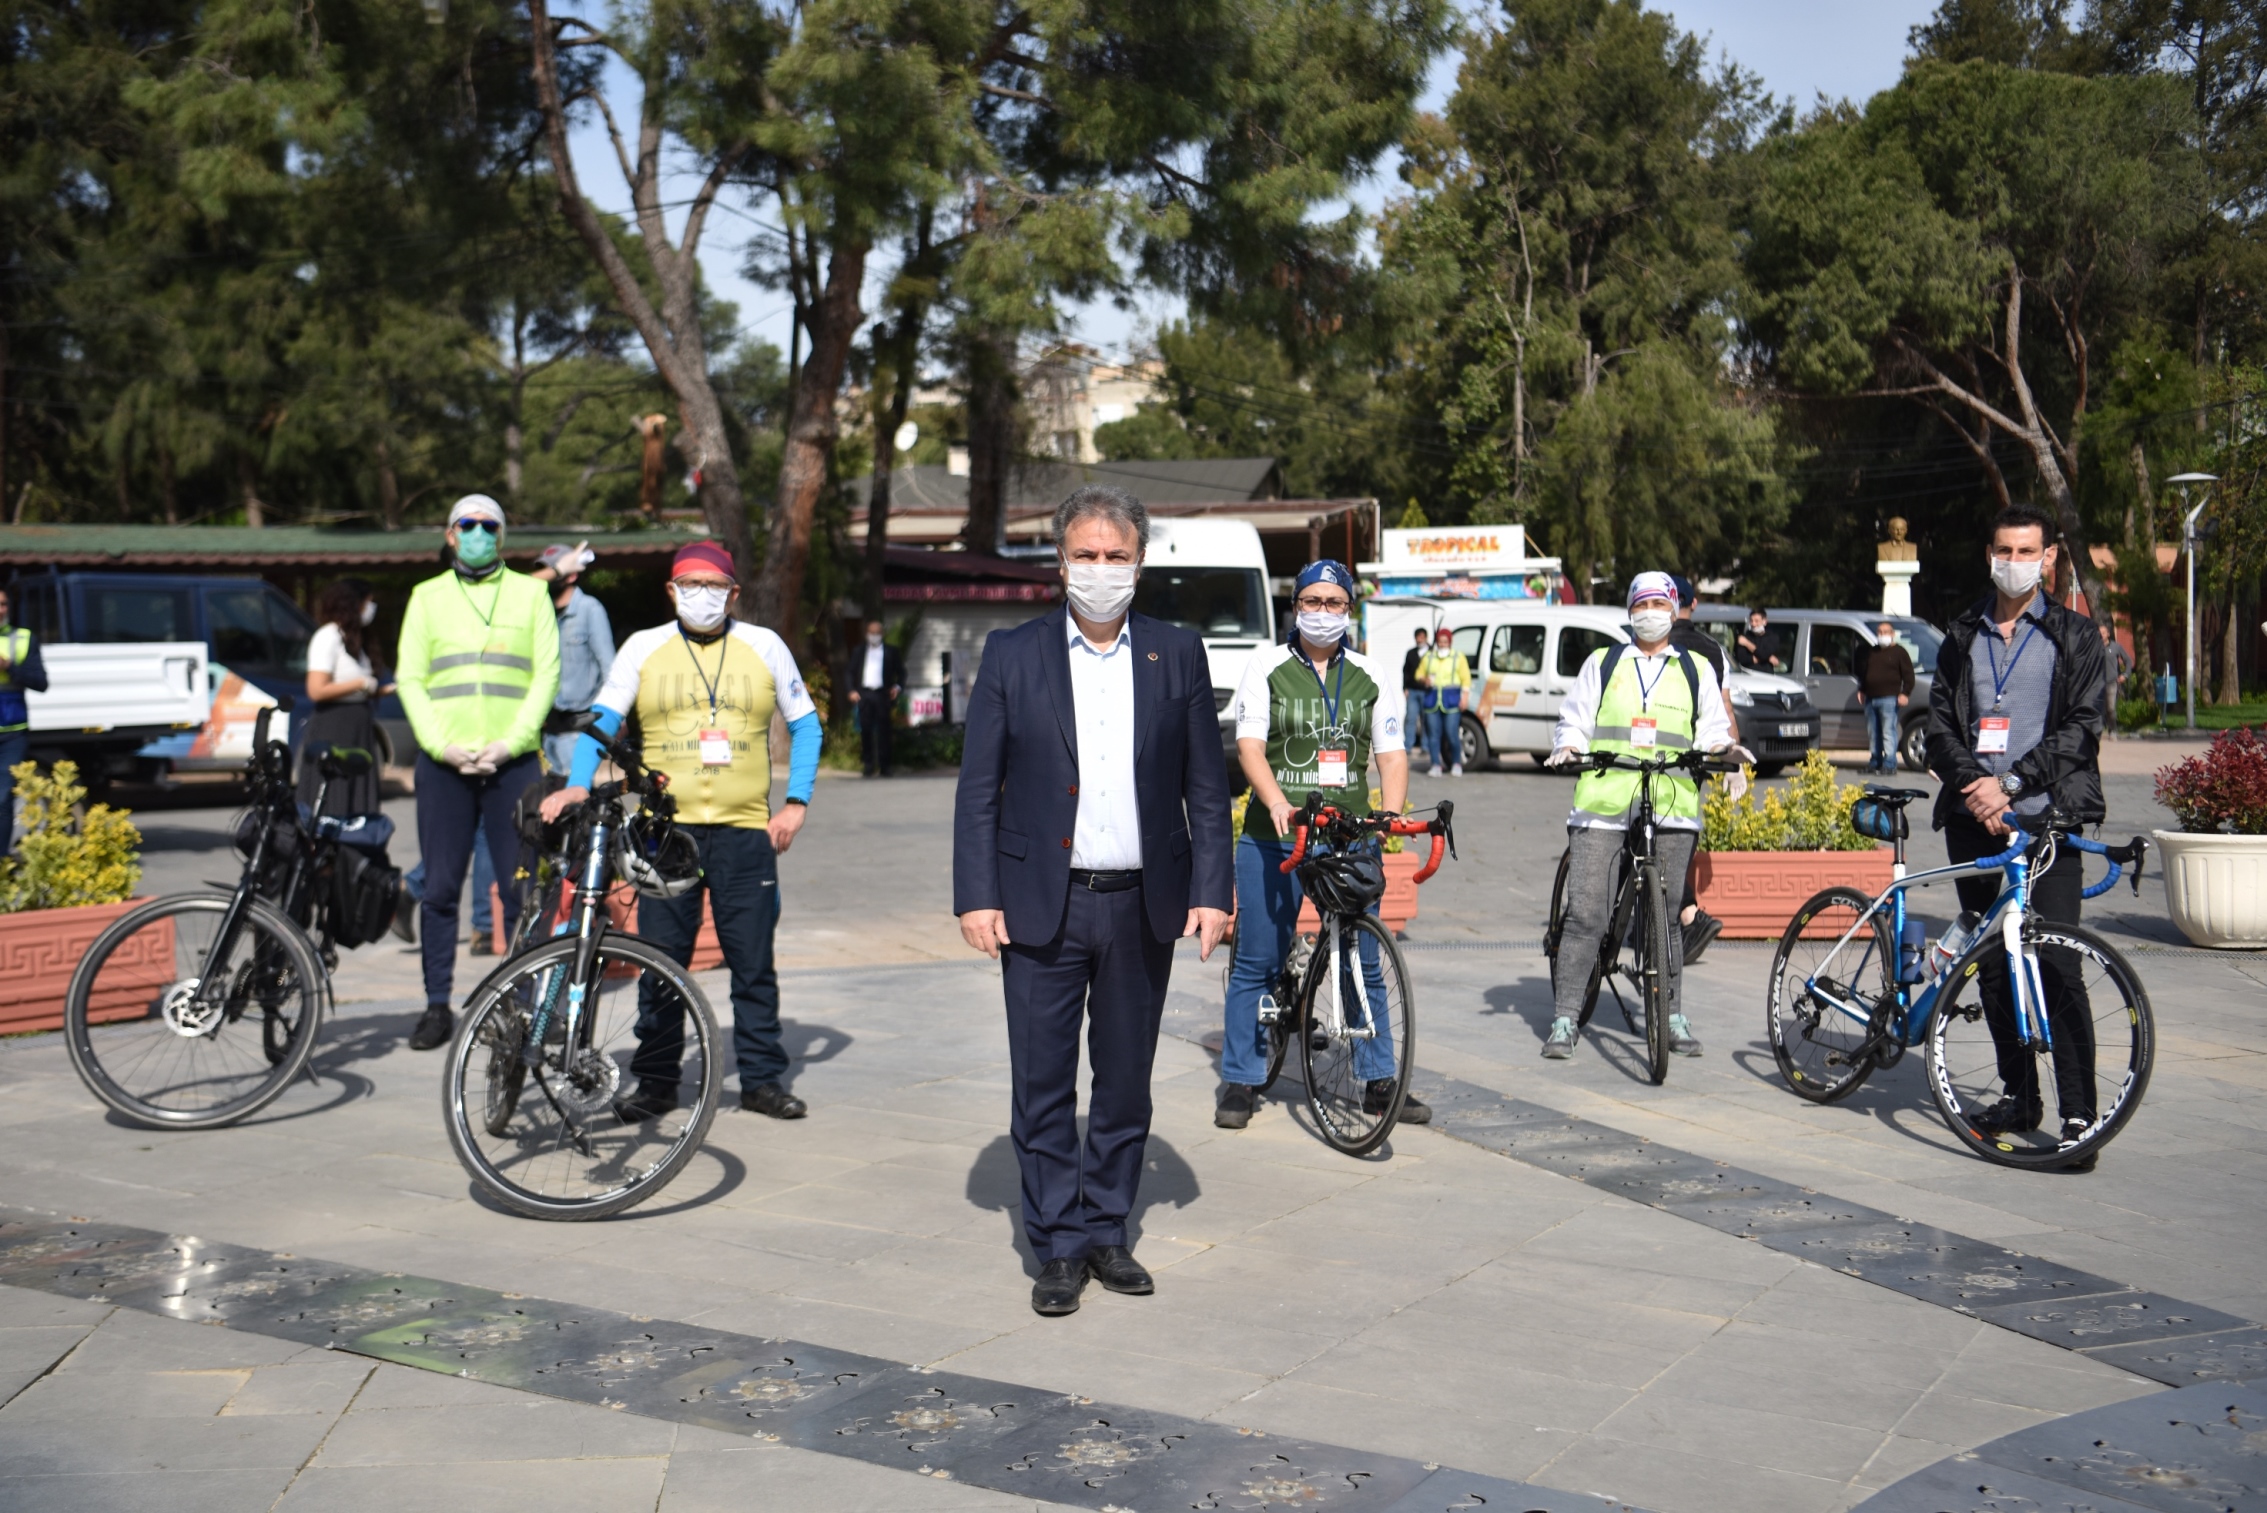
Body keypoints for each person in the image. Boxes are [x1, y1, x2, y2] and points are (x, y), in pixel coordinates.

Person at [952, 485, 1232, 1318]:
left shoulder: (1176, 653)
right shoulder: (1012, 653)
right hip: (1042, 903)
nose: (1100, 570)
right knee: (1040, 1083)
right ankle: (1057, 1244)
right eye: (1085, 554)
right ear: (1060, 561)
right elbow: (978, 789)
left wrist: (1212, 891)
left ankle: (1107, 1227)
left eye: (1116, 556)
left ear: (1139, 564)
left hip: (1141, 902)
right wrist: (976, 894)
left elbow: (1205, 789)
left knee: (1123, 1081)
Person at [543, 540, 824, 1122]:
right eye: (690, 585)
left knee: (753, 963)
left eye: (714, 585)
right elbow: (603, 723)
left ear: (734, 592)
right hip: (664, 835)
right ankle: (656, 1083)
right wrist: (576, 782)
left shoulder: (764, 645)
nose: (703, 595)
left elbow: (807, 725)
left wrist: (795, 803)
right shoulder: (643, 648)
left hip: (746, 832)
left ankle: (763, 1081)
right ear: (670, 591)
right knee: (661, 964)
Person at [1925, 503, 2108, 1167]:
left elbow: (2082, 728)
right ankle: (2017, 1094)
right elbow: (1938, 720)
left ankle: (2080, 1114)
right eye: (2003, 548)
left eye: (2026, 550)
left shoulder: (2073, 635)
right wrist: (1976, 786)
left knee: (2056, 963)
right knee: (1992, 964)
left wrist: (2012, 784)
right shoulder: (1964, 630)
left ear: (2048, 558)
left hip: (2044, 820)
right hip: (1974, 821)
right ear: (1988, 553)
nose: (2013, 561)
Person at [1218, 560, 1425, 1130]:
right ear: (1295, 606)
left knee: (1364, 960)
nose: (1324, 611)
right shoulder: (1267, 665)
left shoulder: (1370, 673)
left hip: (1347, 834)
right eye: (1313, 600)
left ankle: (1379, 1080)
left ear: (1349, 610)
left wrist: (1387, 812)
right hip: (1276, 834)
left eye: (1335, 603)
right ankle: (1241, 1077)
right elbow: (1251, 746)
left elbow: (1390, 753)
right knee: (1258, 960)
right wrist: (1277, 800)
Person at [1541, 573, 1748, 1062]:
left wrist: (1726, 750)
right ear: (1630, 610)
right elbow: (1574, 716)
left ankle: (1671, 1014)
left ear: (1675, 610)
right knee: (1587, 913)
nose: (1651, 610)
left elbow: (1712, 727)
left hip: (1672, 798)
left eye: (1660, 602)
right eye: (1643, 602)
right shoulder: (1604, 662)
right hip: (1605, 797)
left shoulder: (1696, 667)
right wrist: (1568, 745)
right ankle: (1566, 1016)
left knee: (1670, 910)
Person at [395, 494, 560, 1051]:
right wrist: (440, 746)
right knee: (440, 889)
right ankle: (436, 1005)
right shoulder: (425, 597)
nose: (478, 533)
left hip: (510, 764)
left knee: (521, 894)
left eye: (489, 526)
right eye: (467, 525)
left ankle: (521, 1007)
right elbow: (410, 680)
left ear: (503, 536)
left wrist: (508, 743)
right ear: (449, 535)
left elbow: (545, 677)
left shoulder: (533, 593)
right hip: (445, 765)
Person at [1668, 577, 1727, 964]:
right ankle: (1673, 914)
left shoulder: (1650, 645)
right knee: (1679, 832)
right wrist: (1729, 758)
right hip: (1696, 758)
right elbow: (1723, 705)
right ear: (1696, 603)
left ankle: (1686, 913)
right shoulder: (1713, 650)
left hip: (1654, 754)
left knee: (1642, 834)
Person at [299, 579, 392, 817]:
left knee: (358, 798)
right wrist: (359, 683)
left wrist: (381, 690)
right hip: (334, 727)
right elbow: (316, 690)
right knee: (334, 796)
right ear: (353, 604)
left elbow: (358, 688)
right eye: (368, 602)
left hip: (358, 726)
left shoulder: (356, 640)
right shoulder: (327, 636)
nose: (371, 608)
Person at [533, 542, 615, 778]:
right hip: (548, 730)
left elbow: (609, 666)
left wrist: (612, 717)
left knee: (575, 800)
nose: (547, 576)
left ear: (572, 575)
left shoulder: (590, 609)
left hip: (579, 728)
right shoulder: (540, 612)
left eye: (554, 570)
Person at [0, 586, 48, 853]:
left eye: (4, 604)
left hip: (11, 731)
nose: (0, 610)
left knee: (2, 799)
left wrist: (9, 667)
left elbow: (41, 682)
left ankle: (1, 866)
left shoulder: (23, 638)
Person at [1414, 625, 1472, 777]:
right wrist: (1424, 679)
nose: (1442, 644)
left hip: (1451, 700)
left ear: (1450, 642)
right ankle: (1435, 764)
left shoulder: (1458, 657)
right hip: (1432, 701)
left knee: (1451, 733)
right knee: (1433, 735)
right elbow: (1418, 673)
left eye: (1445, 641)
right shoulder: (1429, 656)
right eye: (1440, 641)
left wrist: (1465, 698)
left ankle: (1456, 763)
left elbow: (1466, 679)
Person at [850, 620, 906, 777]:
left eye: (877, 633)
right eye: (871, 633)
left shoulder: (891, 652)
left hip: (882, 694)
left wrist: (897, 687)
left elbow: (902, 673)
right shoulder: (859, 651)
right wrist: (851, 691)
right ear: (867, 634)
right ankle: (868, 765)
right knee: (865, 730)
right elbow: (850, 672)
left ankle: (885, 766)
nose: (873, 636)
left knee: (884, 731)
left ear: (882, 634)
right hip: (865, 694)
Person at [1859, 620, 1916, 774]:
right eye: (1880, 632)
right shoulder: (1873, 651)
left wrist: (1905, 693)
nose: (1882, 635)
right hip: (1871, 698)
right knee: (1873, 732)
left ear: (1892, 634)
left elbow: (1909, 675)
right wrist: (1862, 690)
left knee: (1888, 731)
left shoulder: (1899, 652)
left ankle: (1889, 764)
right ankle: (1875, 761)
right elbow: (1866, 673)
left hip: (1889, 699)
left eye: (1885, 632)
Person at [1401, 626, 1431, 761]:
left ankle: (1425, 747)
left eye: (1422, 637)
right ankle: (1408, 746)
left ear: (1426, 637)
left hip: (1426, 691)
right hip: (1412, 690)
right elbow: (1405, 671)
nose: (1420, 639)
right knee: (1411, 718)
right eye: (1418, 637)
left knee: (1426, 720)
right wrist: (1405, 688)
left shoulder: (1432, 652)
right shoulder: (1411, 653)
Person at [1734, 608, 1784, 673]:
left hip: (1766, 676)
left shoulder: (1772, 637)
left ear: (1764, 621)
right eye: (1751, 621)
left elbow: (1764, 654)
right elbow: (1742, 659)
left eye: (1757, 621)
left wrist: (1747, 643)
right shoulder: (1744, 636)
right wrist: (1768, 658)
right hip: (1748, 676)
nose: (1753, 624)